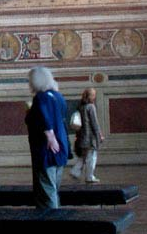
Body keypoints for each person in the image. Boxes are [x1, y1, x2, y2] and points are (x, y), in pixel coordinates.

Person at [26, 67, 69, 208]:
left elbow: (45, 118)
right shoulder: (58, 96)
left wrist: (50, 136)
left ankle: (52, 224)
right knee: (53, 189)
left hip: (46, 150)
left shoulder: (41, 97)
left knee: (47, 191)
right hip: (61, 148)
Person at [70, 88, 105, 183]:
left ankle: (75, 170)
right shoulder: (91, 107)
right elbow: (95, 123)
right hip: (90, 137)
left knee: (84, 155)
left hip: (82, 135)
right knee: (92, 157)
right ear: (92, 96)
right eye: (94, 95)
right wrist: (99, 135)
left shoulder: (81, 106)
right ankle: (89, 176)